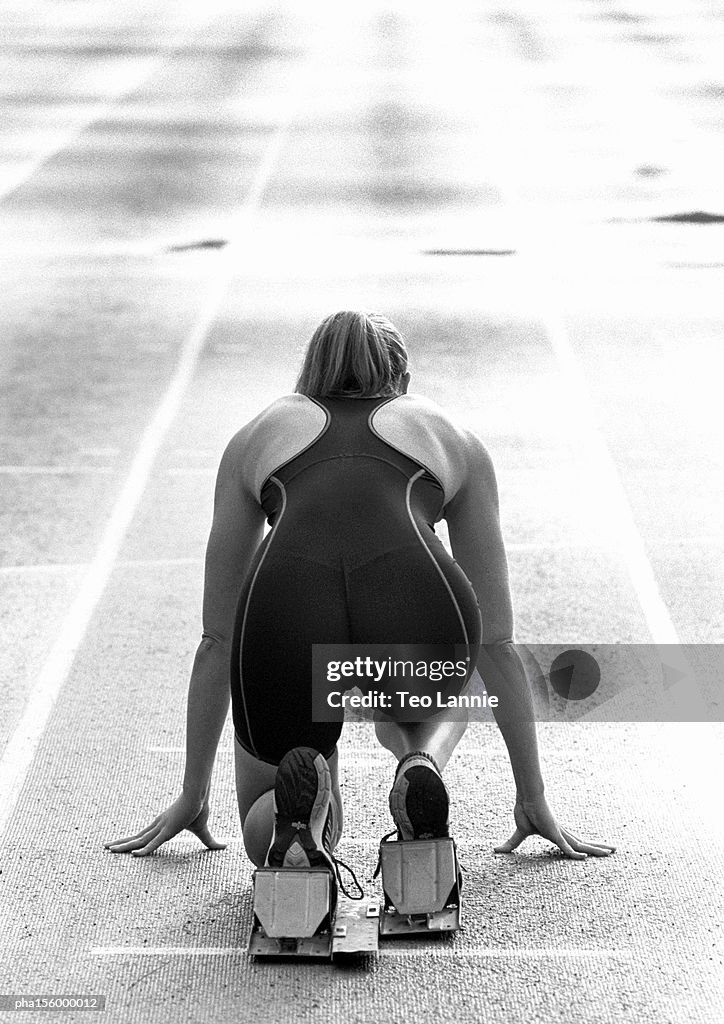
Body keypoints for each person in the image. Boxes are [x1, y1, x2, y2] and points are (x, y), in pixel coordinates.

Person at [105, 310, 614, 886]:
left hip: (288, 606)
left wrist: (193, 791)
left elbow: (216, 639)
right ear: (400, 376)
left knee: (273, 796)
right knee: (459, 674)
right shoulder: (446, 433)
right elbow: (498, 642)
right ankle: (420, 763)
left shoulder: (257, 435)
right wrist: (531, 795)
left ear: (311, 367)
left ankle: (304, 808)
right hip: (411, 601)